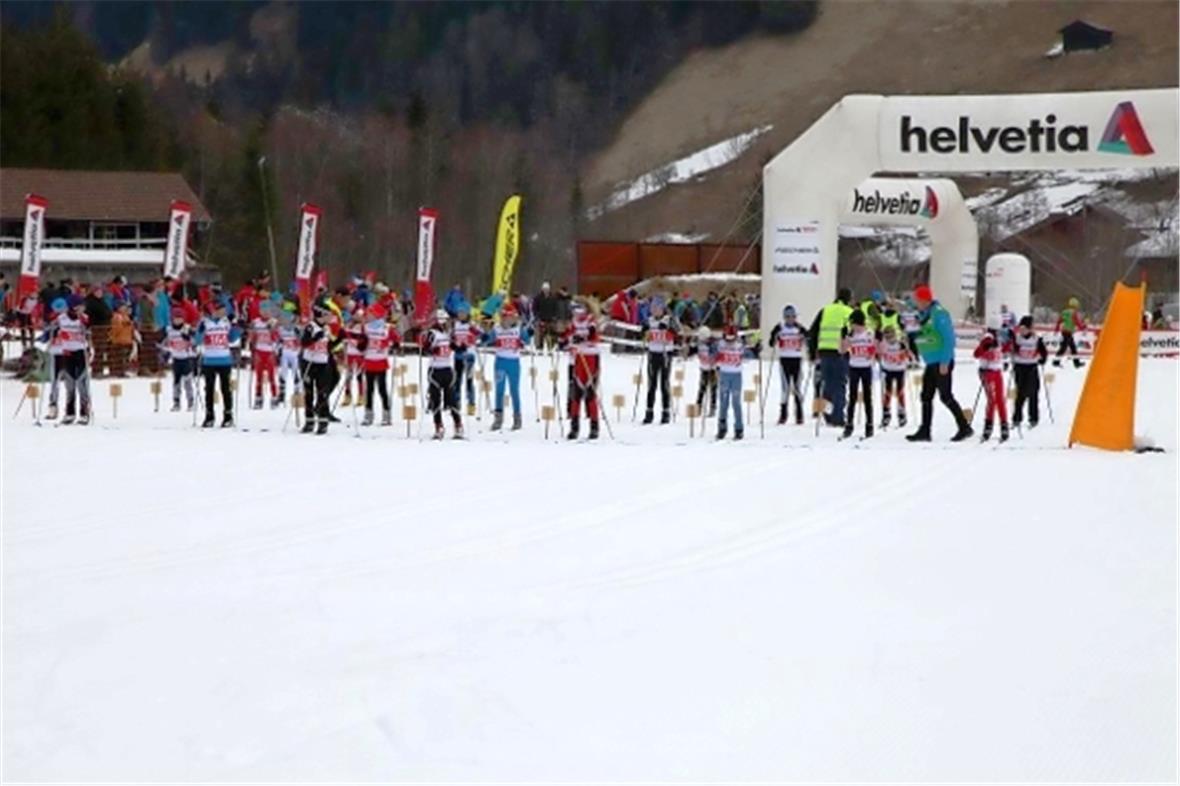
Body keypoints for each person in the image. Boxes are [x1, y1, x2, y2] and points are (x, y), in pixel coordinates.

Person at [906, 284, 973, 442]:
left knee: (945, 396)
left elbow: (949, 339)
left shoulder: (939, 314)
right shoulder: (924, 314)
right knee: (926, 396)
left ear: (925, 300)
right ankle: (925, 430)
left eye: (918, 300)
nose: (916, 303)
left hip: (941, 361)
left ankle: (964, 427)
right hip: (931, 362)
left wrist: (945, 361)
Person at [807, 287, 854, 427]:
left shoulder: (825, 310)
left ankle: (827, 414)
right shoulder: (849, 312)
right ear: (849, 299)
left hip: (824, 351)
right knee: (839, 385)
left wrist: (812, 351)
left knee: (827, 384)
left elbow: (813, 331)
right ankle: (837, 417)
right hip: (841, 352)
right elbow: (852, 333)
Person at [484, 302, 531, 431]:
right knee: (499, 391)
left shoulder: (518, 329)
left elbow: (527, 341)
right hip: (500, 362)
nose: (505, 320)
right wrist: (485, 337)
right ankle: (498, 419)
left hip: (513, 363)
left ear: (513, 318)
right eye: (503, 317)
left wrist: (526, 337)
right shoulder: (497, 329)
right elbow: (488, 340)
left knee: (514, 391)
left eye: (508, 318)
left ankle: (517, 419)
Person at [194, 300, 240, 428]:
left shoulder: (226, 322)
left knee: (226, 388)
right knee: (209, 389)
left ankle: (228, 415)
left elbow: (232, 338)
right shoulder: (205, 322)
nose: (223, 312)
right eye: (220, 310)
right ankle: (209, 416)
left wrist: (237, 327)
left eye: (224, 310)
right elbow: (197, 340)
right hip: (209, 360)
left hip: (224, 359)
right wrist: (200, 330)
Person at [300, 304, 342, 435]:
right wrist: (316, 337)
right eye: (327, 315)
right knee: (308, 392)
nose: (330, 317)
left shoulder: (327, 328)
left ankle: (323, 422)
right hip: (309, 363)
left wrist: (340, 338)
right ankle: (309, 421)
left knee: (323, 392)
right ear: (320, 315)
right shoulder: (310, 327)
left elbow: (328, 346)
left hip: (323, 363)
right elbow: (304, 343)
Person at [562, 303, 602, 440]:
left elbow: (593, 335)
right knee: (576, 393)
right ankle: (574, 427)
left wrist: (582, 338)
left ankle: (594, 426)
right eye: (575, 313)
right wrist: (563, 342)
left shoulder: (591, 320)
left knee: (590, 392)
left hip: (591, 358)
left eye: (580, 313)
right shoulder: (573, 323)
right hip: (578, 358)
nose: (577, 316)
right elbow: (568, 336)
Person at [422, 309, 463, 439]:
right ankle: (438, 426)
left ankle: (458, 425)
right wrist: (433, 350)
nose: (447, 324)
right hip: (435, 370)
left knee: (452, 399)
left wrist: (461, 347)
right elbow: (425, 349)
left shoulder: (449, 333)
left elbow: (455, 347)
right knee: (435, 400)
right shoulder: (432, 333)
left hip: (448, 369)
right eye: (445, 321)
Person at [359, 303, 398, 426]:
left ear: (377, 315)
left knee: (382, 389)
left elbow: (395, 339)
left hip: (381, 361)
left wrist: (395, 344)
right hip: (369, 361)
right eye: (368, 313)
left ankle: (386, 414)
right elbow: (361, 341)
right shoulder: (365, 327)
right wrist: (361, 344)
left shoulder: (386, 328)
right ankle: (368, 414)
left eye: (370, 314)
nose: (368, 316)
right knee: (369, 389)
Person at [641, 295, 678, 424]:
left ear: (663, 309)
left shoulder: (669, 319)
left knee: (664, 384)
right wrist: (645, 332)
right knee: (652, 384)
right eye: (653, 308)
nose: (655, 311)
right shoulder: (649, 320)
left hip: (665, 354)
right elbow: (644, 335)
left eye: (657, 308)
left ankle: (665, 412)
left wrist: (667, 329)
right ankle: (649, 412)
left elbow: (676, 333)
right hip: (653, 354)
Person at [56, 298, 92, 425]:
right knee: (69, 384)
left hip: (81, 351)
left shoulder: (84, 318)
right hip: (67, 352)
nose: (83, 309)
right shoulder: (62, 318)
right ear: (73, 307)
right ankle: (69, 412)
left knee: (81, 383)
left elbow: (89, 330)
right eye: (80, 306)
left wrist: (84, 326)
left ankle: (84, 412)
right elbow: (54, 329)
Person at [768, 305, 807, 425]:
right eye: (788, 317)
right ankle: (783, 414)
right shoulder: (780, 327)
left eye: (793, 317)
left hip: (796, 360)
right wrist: (775, 335)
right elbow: (771, 343)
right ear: (784, 317)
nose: (790, 319)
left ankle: (799, 414)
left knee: (797, 388)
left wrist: (805, 337)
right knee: (785, 388)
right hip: (784, 360)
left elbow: (808, 339)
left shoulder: (799, 328)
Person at [843, 309, 876, 439]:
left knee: (867, 397)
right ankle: (849, 424)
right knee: (852, 397)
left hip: (866, 367)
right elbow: (842, 350)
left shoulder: (869, 334)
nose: (852, 326)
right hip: (854, 367)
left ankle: (869, 425)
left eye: (853, 324)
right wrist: (843, 337)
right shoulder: (851, 335)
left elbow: (875, 349)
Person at [973, 329, 1010, 442]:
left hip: (997, 371)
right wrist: (986, 346)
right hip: (987, 371)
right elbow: (976, 354)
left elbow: (1006, 349)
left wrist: (1010, 344)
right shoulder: (987, 338)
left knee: (1000, 399)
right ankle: (988, 425)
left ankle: (1004, 425)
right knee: (992, 400)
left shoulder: (1002, 336)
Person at [1011, 316, 1048, 430]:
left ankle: (1033, 418)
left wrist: (1042, 360)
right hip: (1020, 367)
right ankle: (1017, 419)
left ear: (1030, 329)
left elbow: (1043, 352)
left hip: (1032, 367)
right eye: (1021, 328)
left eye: (1025, 328)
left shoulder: (1037, 339)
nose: (1022, 331)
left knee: (1033, 393)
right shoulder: (1017, 338)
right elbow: (1012, 349)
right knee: (1020, 393)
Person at [714, 323, 745, 440]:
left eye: (732, 338)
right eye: (728, 338)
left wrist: (757, 349)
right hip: (724, 374)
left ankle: (739, 428)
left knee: (736, 402)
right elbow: (715, 355)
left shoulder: (740, 344)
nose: (730, 341)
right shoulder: (720, 344)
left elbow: (748, 353)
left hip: (736, 375)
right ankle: (722, 427)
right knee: (723, 402)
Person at [162, 308, 196, 411]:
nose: (177, 321)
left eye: (180, 318)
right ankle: (176, 402)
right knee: (176, 382)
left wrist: (189, 339)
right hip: (176, 358)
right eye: (176, 318)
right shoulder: (169, 330)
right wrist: (166, 352)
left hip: (186, 358)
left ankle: (190, 402)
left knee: (188, 382)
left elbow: (195, 341)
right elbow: (165, 343)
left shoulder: (187, 328)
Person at [878, 325, 910, 428]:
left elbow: (909, 355)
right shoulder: (883, 344)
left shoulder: (900, 344)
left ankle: (902, 414)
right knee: (887, 392)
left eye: (891, 335)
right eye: (886, 336)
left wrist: (908, 357)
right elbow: (878, 354)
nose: (889, 338)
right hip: (887, 370)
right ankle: (886, 414)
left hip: (900, 370)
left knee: (900, 392)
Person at [452, 305, 481, 415]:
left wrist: (475, 340)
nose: (461, 315)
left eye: (463, 313)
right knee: (457, 381)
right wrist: (455, 346)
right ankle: (457, 403)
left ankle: (471, 404)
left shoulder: (471, 325)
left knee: (469, 381)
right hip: (458, 357)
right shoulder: (455, 325)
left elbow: (481, 335)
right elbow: (452, 339)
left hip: (469, 357)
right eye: (459, 313)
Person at [249, 304, 280, 408]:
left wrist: (272, 330)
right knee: (259, 377)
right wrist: (251, 343)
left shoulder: (274, 322)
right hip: (259, 351)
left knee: (271, 376)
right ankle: (258, 398)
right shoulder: (256, 322)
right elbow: (252, 336)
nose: (265, 313)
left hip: (270, 351)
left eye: (268, 311)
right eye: (263, 311)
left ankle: (274, 397)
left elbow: (277, 338)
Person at [42, 298, 68, 420]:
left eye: (62, 310)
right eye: (57, 310)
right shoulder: (51, 320)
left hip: (69, 352)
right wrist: (49, 332)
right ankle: (53, 407)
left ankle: (70, 409)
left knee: (71, 382)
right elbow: (44, 337)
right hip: (55, 352)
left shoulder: (70, 319)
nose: (59, 313)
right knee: (54, 382)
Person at [276, 303, 303, 405]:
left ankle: (297, 393)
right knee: (283, 373)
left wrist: (299, 336)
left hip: (294, 353)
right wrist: (278, 348)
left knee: (296, 373)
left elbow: (302, 339)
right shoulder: (281, 327)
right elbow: (277, 338)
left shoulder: (297, 327)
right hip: (285, 353)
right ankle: (281, 395)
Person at [340, 309, 366, 407]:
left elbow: (366, 340)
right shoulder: (348, 325)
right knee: (348, 376)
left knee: (359, 376)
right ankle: (347, 396)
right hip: (350, 354)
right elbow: (344, 338)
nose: (358, 317)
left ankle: (361, 396)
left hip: (360, 354)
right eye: (356, 315)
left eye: (360, 316)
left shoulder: (364, 327)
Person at [1053, 296, 1086, 368]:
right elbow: (1077, 322)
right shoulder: (1074, 313)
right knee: (1063, 348)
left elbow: (1059, 321)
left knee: (1072, 348)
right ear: (1076, 305)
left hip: (1064, 332)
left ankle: (1076, 363)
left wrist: (1056, 329)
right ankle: (1055, 362)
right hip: (1068, 332)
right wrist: (1083, 327)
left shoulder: (1064, 312)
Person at [693, 325, 718, 418]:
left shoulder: (713, 344)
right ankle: (698, 406)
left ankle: (713, 407)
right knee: (702, 388)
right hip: (704, 368)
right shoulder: (700, 343)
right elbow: (694, 351)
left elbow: (716, 355)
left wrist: (713, 357)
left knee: (713, 389)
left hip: (713, 369)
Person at [108, 302, 137, 377]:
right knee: (119, 357)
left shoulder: (126, 316)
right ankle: (117, 371)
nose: (125, 308)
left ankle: (122, 371)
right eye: (123, 307)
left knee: (124, 357)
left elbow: (130, 328)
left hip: (127, 340)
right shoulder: (117, 317)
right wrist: (125, 325)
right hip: (119, 340)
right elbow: (115, 329)